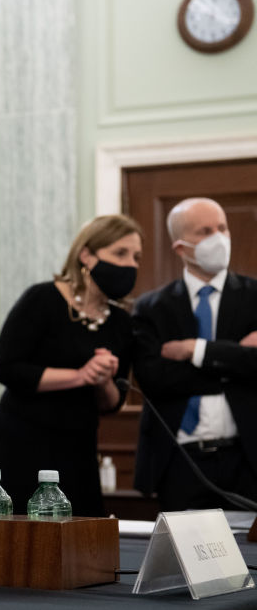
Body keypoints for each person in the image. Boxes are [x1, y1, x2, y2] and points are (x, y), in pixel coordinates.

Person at [0, 215, 142, 516]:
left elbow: (113, 403)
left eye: (136, 257)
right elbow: (6, 367)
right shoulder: (42, 298)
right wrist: (80, 375)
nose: (130, 265)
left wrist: (102, 380)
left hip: (77, 451)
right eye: (120, 253)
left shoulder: (122, 323)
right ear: (86, 255)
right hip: (19, 443)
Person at [133, 197, 257, 511]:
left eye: (222, 228)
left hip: (247, 458)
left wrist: (197, 350)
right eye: (205, 231)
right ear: (181, 247)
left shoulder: (253, 297)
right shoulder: (152, 307)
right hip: (180, 461)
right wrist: (235, 359)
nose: (219, 238)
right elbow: (154, 379)